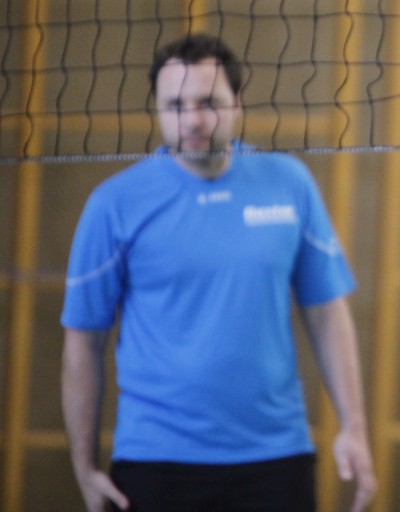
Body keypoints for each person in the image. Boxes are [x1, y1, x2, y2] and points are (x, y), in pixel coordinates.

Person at [60, 33, 376, 512]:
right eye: (175, 105)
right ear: (158, 110)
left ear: (237, 103)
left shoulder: (289, 183)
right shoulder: (113, 205)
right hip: (157, 462)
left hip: (277, 457)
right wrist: (83, 467)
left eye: (208, 102)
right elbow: (83, 342)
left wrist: (354, 427)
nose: (192, 120)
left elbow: (327, 313)